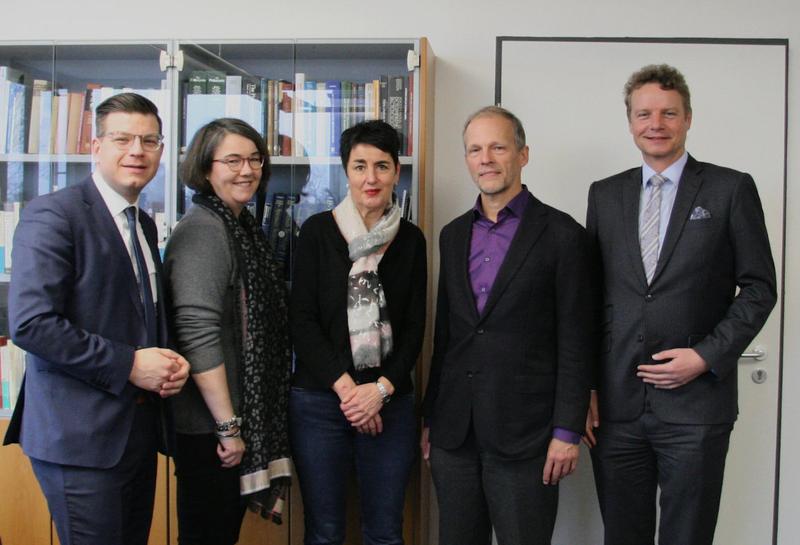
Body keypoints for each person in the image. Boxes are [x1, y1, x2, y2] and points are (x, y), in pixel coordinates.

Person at [584, 64, 777, 545]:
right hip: (617, 406)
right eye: (644, 113)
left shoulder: (730, 189)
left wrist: (706, 356)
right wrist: (584, 389)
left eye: (669, 113)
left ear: (688, 118)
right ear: (629, 122)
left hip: (696, 410)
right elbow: (590, 300)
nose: (656, 123)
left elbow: (759, 288)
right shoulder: (605, 195)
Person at [3, 92, 190, 545]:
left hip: (136, 434)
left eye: (148, 140)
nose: (136, 151)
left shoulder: (142, 223)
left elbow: (136, 311)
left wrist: (169, 360)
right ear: (96, 146)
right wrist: (131, 364)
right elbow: (31, 324)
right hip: (80, 438)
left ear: (162, 151)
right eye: (122, 139)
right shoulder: (54, 214)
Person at [420, 106, 593, 545]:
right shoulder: (453, 234)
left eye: (498, 146)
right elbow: (448, 336)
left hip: (528, 438)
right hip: (455, 434)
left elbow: (577, 340)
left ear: (523, 154)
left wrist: (566, 431)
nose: (486, 159)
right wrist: (431, 419)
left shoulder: (563, 234)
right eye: (475, 149)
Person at [289, 120, 426, 545]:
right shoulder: (315, 233)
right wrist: (352, 393)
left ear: (396, 173)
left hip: (391, 402)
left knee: (385, 532)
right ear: (346, 171)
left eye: (382, 166)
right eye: (360, 165)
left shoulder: (412, 240)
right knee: (324, 531)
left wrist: (379, 392)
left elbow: (416, 328)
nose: (371, 178)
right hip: (320, 402)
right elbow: (302, 321)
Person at [164, 118, 292, 544]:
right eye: (233, 160)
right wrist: (228, 427)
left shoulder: (241, 227)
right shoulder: (203, 230)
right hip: (210, 429)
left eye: (255, 159)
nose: (247, 170)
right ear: (204, 169)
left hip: (228, 422)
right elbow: (196, 332)